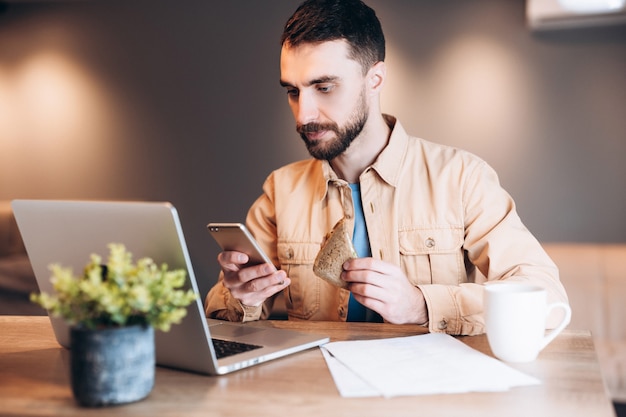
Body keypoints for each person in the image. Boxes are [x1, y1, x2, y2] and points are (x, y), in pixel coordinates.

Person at [205, 0, 568, 335]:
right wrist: (242, 297)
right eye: (293, 91)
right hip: (317, 397)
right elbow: (223, 313)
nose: (304, 114)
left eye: (324, 87)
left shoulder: (461, 178)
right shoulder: (280, 191)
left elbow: (547, 299)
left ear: (375, 80)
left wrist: (421, 304)